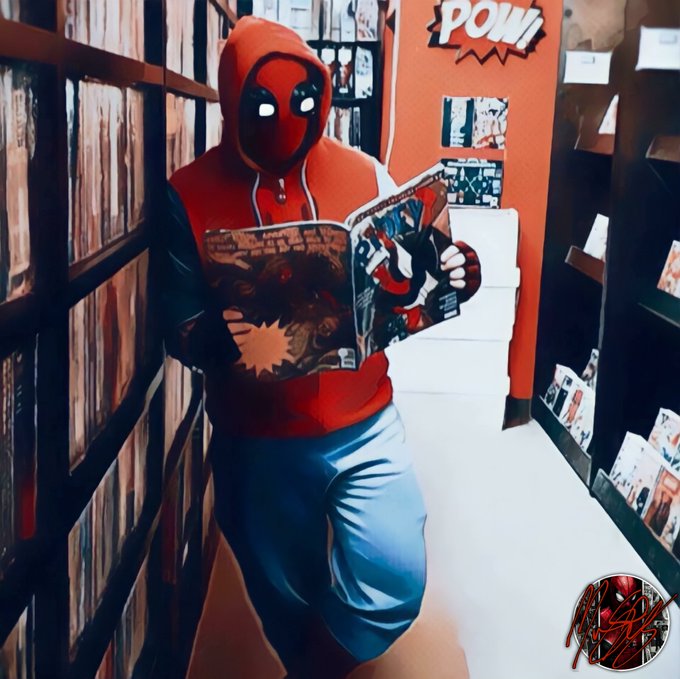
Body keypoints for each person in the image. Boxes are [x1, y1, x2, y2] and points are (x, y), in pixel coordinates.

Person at [157, 16, 481, 679]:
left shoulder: (364, 172)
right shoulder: (186, 194)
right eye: (263, 108)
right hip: (257, 436)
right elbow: (178, 320)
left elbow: (422, 246)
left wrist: (456, 266)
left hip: (365, 418)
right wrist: (222, 336)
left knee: (395, 574)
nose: (286, 123)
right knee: (283, 589)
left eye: (303, 103)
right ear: (233, 103)